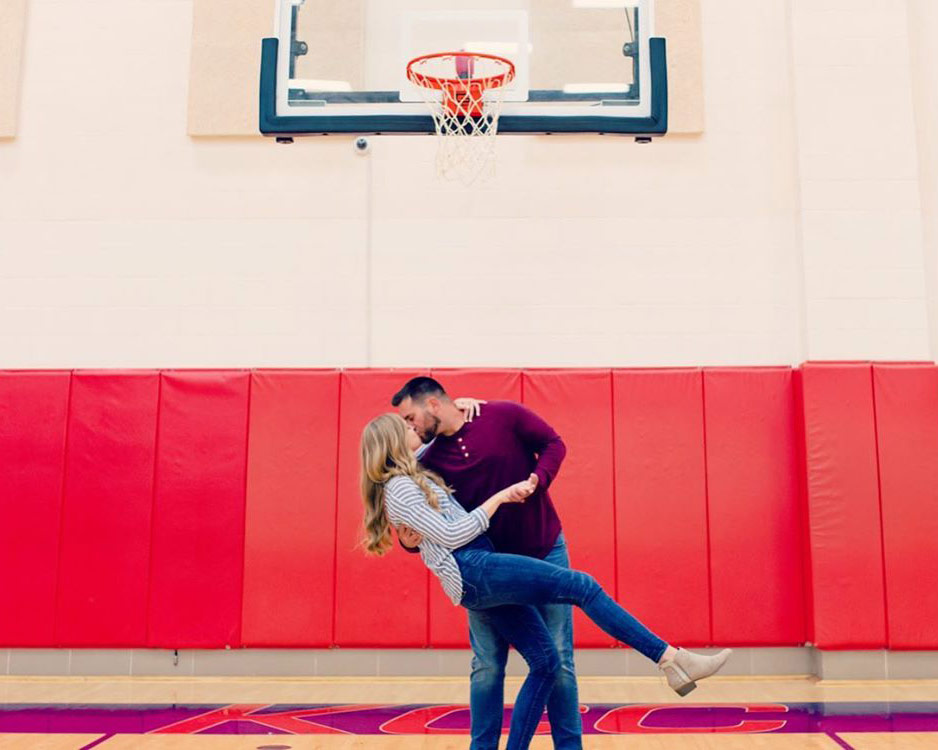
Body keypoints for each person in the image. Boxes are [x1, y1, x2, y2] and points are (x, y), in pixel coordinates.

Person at [360, 412, 732, 750]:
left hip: (476, 571)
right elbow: (454, 535)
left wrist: (466, 404)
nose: (415, 428)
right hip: (474, 568)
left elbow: (438, 434)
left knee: (547, 663)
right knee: (582, 587)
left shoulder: (410, 476)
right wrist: (499, 498)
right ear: (394, 442)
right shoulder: (401, 489)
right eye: (406, 427)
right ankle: (671, 659)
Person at [391, 377, 580, 749]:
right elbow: (417, 512)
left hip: (544, 548)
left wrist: (538, 480)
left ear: (432, 404)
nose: (410, 426)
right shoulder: (426, 460)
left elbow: (553, 443)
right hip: (488, 572)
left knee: (559, 660)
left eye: (411, 416)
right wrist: (408, 542)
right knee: (488, 665)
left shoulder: (503, 415)